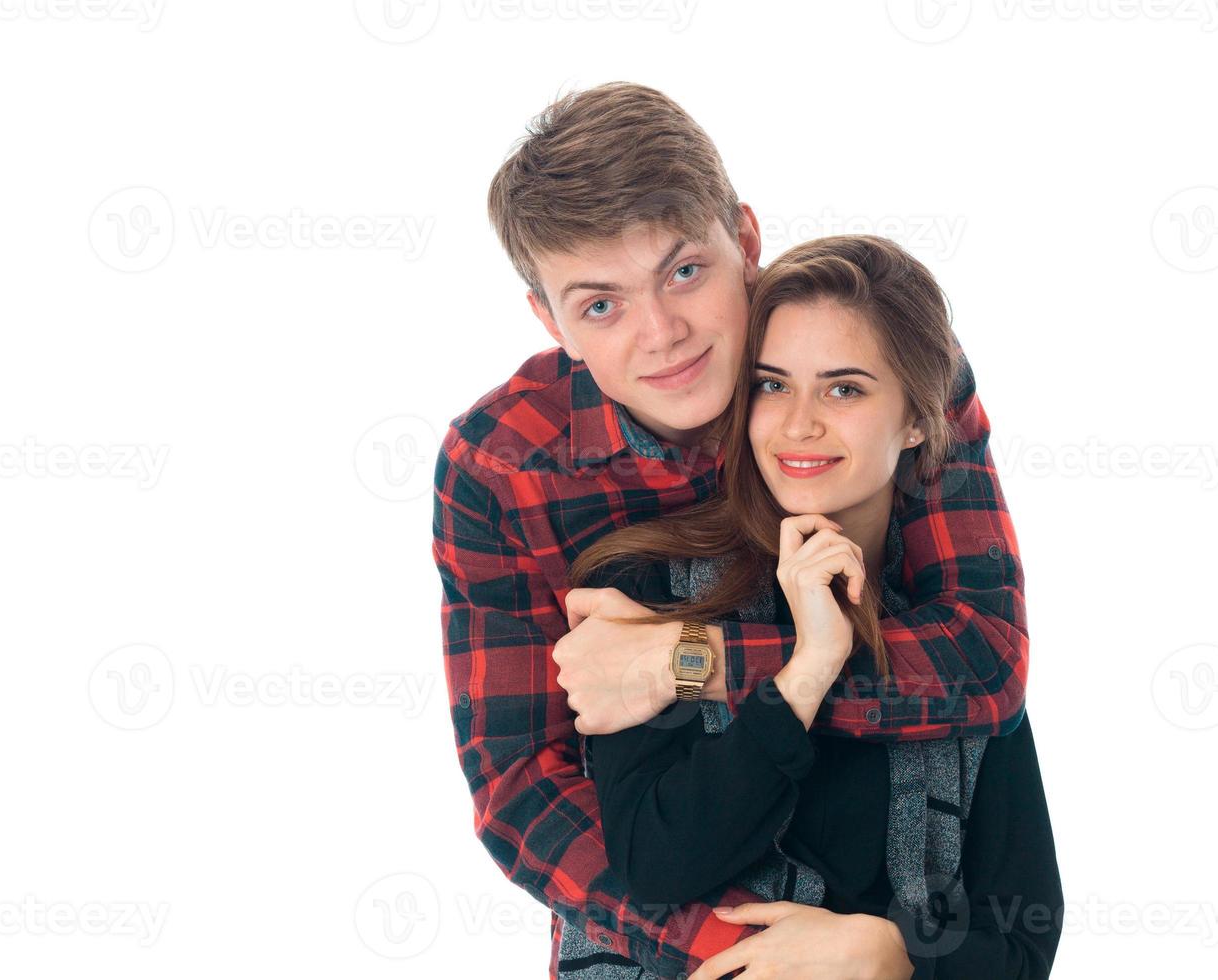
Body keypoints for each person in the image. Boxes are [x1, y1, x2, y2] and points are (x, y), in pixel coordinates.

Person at [432, 82, 1031, 979]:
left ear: (744, 240)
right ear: (549, 320)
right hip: (661, 937)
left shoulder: (879, 362)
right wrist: (742, 954)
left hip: (893, 895)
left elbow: (983, 658)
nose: (662, 333)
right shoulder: (501, 466)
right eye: (601, 305)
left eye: (684, 271)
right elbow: (523, 794)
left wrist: (683, 662)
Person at [572, 236, 1061, 979]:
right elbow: (656, 860)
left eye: (844, 389)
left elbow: (1023, 943)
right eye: (772, 385)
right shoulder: (650, 589)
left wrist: (889, 954)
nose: (799, 424)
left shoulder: (957, 642)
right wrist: (805, 672)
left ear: (920, 421)